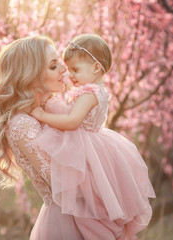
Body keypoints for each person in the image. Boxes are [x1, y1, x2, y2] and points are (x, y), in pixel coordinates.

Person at [30, 34, 156, 239]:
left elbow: (72, 121)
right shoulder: (97, 91)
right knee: (92, 201)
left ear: (96, 68)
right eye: (69, 70)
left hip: (88, 150)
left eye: (75, 70)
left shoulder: (89, 93)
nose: (70, 76)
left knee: (86, 204)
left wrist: (42, 115)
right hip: (96, 146)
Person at [0, 35, 84, 239]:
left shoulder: (51, 112)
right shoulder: (21, 124)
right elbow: (62, 183)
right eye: (53, 66)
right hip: (66, 224)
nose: (64, 69)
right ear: (31, 75)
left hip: (80, 215)